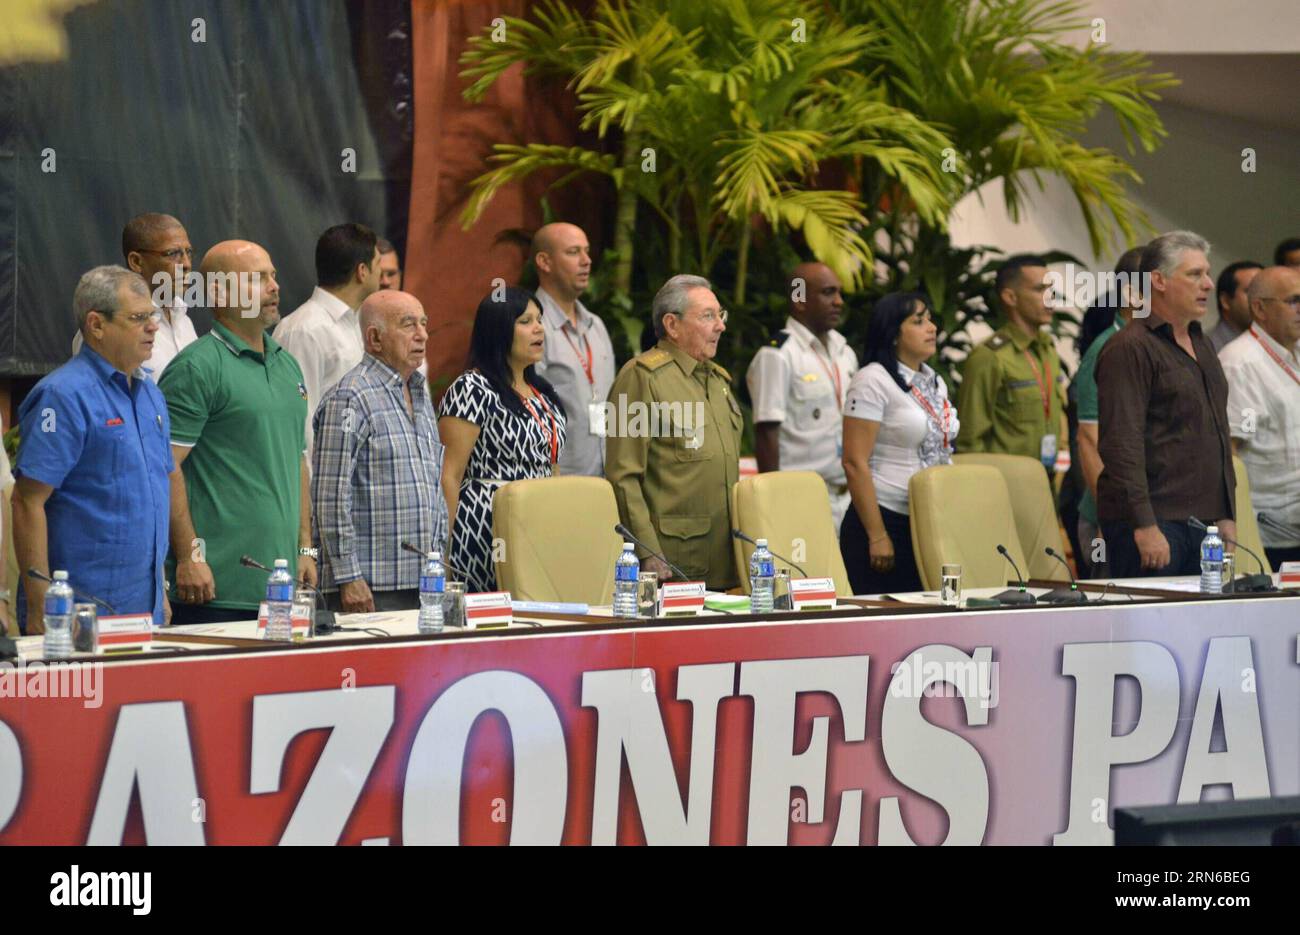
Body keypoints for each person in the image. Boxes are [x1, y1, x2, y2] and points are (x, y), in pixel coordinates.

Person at [159, 241, 316, 624]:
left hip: (281, 587)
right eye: (257, 279)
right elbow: (164, 467)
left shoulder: (287, 364)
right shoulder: (196, 368)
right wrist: (189, 556)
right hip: (214, 589)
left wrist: (306, 550)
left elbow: (296, 460)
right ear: (218, 292)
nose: (274, 287)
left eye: (274, 276)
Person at [13, 266, 174, 631]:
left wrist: (159, 590)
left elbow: (156, 494)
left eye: (153, 315)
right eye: (138, 318)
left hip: (145, 610)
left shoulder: (151, 395)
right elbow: (26, 501)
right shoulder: (63, 395)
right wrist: (40, 605)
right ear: (96, 325)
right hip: (77, 613)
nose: (153, 327)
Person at [1096, 231, 1236, 577]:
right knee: (1154, 627)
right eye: (1194, 274)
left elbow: (1217, 430)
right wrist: (1143, 525)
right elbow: (1121, 444)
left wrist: (1226, 512)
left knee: (1202, 627)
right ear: (1157, 280)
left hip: (1205, 523)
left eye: (1207, 273)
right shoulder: (1129, 347)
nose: (1208, 284)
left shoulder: (1202, 343)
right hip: (1153, 522)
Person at [312, 291, 448, 612]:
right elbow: (330, 495)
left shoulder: (419, 393)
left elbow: (432, 483)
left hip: (424, 580)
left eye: (424, 324)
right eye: (408, 325)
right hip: (371, 586)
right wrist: (348, 576)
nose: (423, 335)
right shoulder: (350, 397)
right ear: (375, 338)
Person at [605, 275, 742, 589]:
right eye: (708, 316)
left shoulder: (718, 380)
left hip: (725, 556)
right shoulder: (640, 377)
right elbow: (622, 475)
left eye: (720, 315)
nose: (720, 325)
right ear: (672, 324)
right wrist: (647, 551)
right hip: (672, 561)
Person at [439, 288, 568, 594]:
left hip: (538, 524)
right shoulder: (472, 388)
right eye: (526, 321)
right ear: (498, 329)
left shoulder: (543, 392)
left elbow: (552, 466)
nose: (539, 328)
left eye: (539, 320)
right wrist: (444, 551)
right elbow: (449, 475)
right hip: (485, 529)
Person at [839, 293, 957, 595]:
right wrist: (877, 534)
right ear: (893, 333)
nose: (931, 327)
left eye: (930, 319)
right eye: (918, 321)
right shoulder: (872, 381)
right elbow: (854, 462)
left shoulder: (934, 380)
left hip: (930, 517)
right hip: (885, 517)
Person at [747, 262, 859, 531]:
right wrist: (774, 500)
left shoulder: (845, 352)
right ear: (799, 300)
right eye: (828, 293)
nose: (838, 302)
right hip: (800, 497)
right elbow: (766, 433)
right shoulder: (777, 355)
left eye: (839, 293)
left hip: (849, 497)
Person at [273, 222, 381, 455]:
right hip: (319, 483)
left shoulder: (357, 324)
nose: (382, 274)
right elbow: (299, 419)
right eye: (379, 264)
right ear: (362, 271)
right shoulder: (303, 330)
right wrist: (310, 490)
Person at [1220, 265, 1300, 568]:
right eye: (1293, 301)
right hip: (1270, 533)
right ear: (1260, 308)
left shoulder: (1295, 352)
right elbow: (1231, 451)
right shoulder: (1241, 364)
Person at [957, 254, 1067, 471]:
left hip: (1047, 483)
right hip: (1007, 488)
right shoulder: (990, 357)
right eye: (1039, 289)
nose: (1050, 297)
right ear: (1010, 297)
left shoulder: (1047, 350)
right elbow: (969, 441)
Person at [1072, 247, 1144, 577]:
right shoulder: (1106, 349)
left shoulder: (1155, 345)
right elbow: (1089, 438)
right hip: (1112, 519)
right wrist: (1108, 519)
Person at [531, 222, 616, 477]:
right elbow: (527, 413)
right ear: (545, 262)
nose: (586, 260)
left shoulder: (596, 326)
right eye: (573, 252)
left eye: (587, 251)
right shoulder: (532, 327)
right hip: (557, 483)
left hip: (605, 480)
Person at [71, 213, 199, 378]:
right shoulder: (108, 327)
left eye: (188, 252)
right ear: (136, 262)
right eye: (172, 254)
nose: (187, 264)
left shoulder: (184, 321)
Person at [1207, 260, 1263, 354]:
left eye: (1265, 291)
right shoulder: (1209, 349)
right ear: (1225, 301)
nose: (1261, 299)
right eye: (1251, 291)